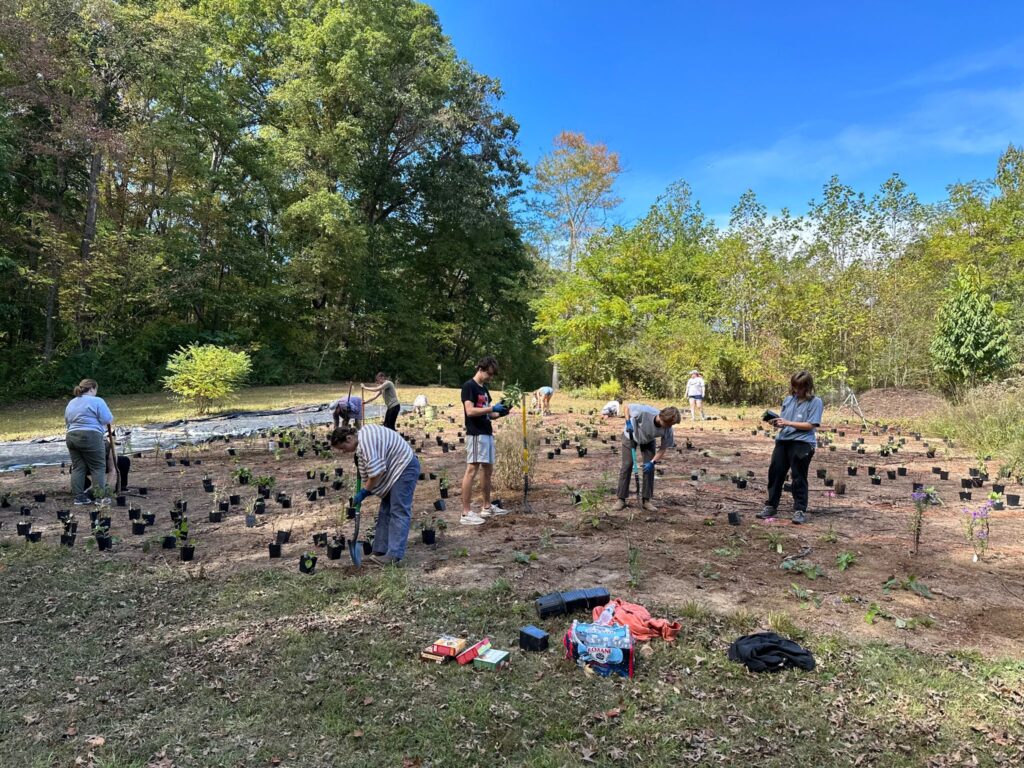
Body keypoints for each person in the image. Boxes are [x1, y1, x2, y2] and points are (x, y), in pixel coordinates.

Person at [330, 423, 420, 566]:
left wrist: (365, 491)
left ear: (348, 438)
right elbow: (371, 469)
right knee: (385, 511)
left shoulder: (366, 441)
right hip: (394, 470)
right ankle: (379, 551)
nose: (344, 452)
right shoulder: (362, 441)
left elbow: (377, 472)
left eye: (342, 448)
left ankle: (394, 556)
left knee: (398, 511)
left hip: (404, 468)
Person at [758, 371, 824, 525]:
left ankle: (800, 509)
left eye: (799, 388)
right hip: (783, 440)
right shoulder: (788, 400)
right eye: (794, 387)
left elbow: (811, 425)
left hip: (802, 442)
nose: (796, 391)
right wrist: (777, 422)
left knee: (798, 475)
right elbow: (784, 420)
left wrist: (787, 422)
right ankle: (771, 506)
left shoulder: (815, 402)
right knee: (775, 472)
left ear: (807, 387)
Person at [459, 356, 511, 525]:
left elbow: (489, 414)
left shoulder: (484, 389)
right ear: (480, 369)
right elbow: (471, 411)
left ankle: (487, 507)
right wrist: (491, 408)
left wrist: (501, 412)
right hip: (475, 434)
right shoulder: (469, 387)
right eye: (489, 374)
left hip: (487, 433)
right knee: (471, 470)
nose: (491, 377)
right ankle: (466, 513)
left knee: (487, 470)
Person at [615, 404, 681, 512]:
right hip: (630, 435)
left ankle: (646, 500)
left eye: (671, 425)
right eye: (667, 424)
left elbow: (663, 448)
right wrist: (628, 422)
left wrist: (652, 462)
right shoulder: (645, 412)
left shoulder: (668, 429)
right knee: (627, 465)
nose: (668, 427)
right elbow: (627, 407)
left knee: (649, 468)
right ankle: (621, 499)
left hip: (648, 440)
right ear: (661, 416)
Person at [64, 379, 114, 506]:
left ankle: (79, 497)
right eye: (96, 389)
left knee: (78, 467)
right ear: (92, 388)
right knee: (98, 466)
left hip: (71, 436)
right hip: (90, 436)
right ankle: (99, 497)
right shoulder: (97, 401)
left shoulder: (72, 402)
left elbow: (67, 421)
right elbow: (107, 419)